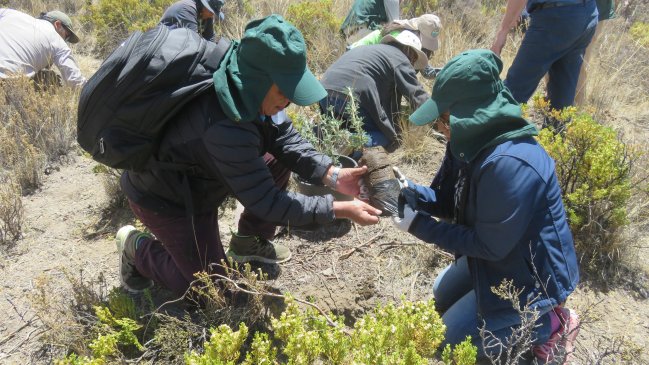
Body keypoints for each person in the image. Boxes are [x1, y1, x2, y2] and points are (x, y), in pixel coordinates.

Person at [115, 15, 382, 297]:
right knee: (207, 290)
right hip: (169, 197)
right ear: (258, 80)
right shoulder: (223, 127)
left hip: (205, 175)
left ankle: (247, 242)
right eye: (284, 91)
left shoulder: (250, 85)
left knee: (274, 158)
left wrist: (333, 175)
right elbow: (268, 201)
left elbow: (283, 135)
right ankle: (135, 246)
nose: (289, 101)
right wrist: (339, 208)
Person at [394, 49, 580, 362]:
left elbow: (489, 245)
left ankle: (553, 323)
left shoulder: (511, 162)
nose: (440, 127)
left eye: (443, 118)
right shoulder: (465, 141)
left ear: (470, 112)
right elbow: (449, 199)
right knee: (438, 298)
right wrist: (414, 194)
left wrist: (419, 226)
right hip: (497, 259)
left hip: (530, 284)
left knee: (452, 347)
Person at [491, 0, 598, 128]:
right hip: (587, 14)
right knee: (561, 100)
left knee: (514, 90)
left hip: (556, 17)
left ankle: (484, 138)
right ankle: (554, 142)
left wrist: (503, 31)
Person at [319, 30, 429, 152]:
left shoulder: (372, 50)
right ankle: (351, 141)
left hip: (323, 91)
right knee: (383, 137)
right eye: (414, 60)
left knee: (341, 128)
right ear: (410, 52)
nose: (412, 64)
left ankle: (323, 138)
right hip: (353, 95)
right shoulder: (401, 59)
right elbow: (417, 95)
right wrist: (437, 116)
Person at [0, 8, 85, 88]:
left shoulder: (11, 14)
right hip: (7, 81)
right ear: (57, 25)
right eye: (66, 36)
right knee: (50, 79)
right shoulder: (57, 40)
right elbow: (75, 82)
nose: (65, 41)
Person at [348, 14, 443, 79]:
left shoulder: (412, 41)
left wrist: (449, 71)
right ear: (416, 31)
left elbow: (427, 71)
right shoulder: (400, 39)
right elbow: (397, 74)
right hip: (355, 60)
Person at [575, 0, 616, 105]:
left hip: (596, 11)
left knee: (580, 62)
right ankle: (552, 104)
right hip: (563, 8)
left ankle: (576, 111)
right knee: (553, 57)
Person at [159, 0, 224, 42]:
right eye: (211, 12)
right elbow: (194, 41)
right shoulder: (188, 9)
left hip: (178, 45)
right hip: (162, 44)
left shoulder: (207, 14)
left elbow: (210, 38)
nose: (212, 15)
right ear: (205, 6)